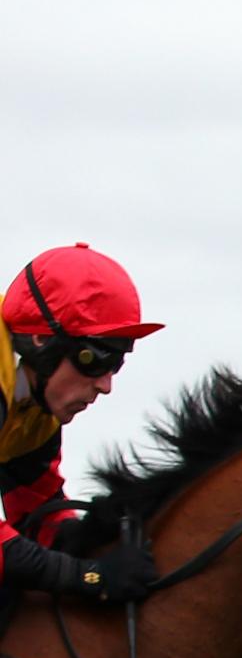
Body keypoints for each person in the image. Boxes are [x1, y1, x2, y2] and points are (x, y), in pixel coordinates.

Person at [0, 245, 162, 605]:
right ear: (41, 339)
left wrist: (88, 542)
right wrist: (89, 577)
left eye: (116, 364)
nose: (106, 385)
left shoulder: (34, 403)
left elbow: (35, 510)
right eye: (95, 360)